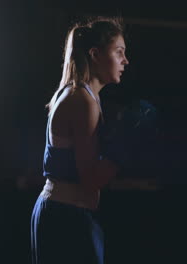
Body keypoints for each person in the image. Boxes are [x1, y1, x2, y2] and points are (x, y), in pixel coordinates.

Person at [30, 17, 129, 264]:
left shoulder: (84, 96)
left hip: (67, 212)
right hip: (66, 215)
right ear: (95, 54)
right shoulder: (81, 100)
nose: (125, 61)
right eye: (119, 52)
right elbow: (90, 180)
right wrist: (125, 148)